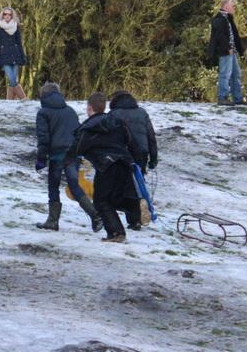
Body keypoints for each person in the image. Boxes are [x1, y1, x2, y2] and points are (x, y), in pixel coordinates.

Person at [71, 92, 141, 242]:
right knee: (119, 196)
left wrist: (65, 160)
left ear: (89, 108)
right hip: (124, 162)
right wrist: (137, 162)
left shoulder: (89, 127)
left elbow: (77, 148)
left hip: (106, 165)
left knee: (100, 200)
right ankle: (135, 210)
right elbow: (131, 142)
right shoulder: (118, 122)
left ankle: (116, 233)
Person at [34, 82, 102, 233]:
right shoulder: (70, 110)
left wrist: (41, 158)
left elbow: (43, 138)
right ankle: (95, 215)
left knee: (53, 186)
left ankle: (52, 221)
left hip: (57, 154)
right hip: (73, 154)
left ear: (44, 95)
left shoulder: (43, 113)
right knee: (74, 186)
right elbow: (79, 132)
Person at [107, 90, 158, 226]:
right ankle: (138, 214)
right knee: (137, 184)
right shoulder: (142, 112)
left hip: (121, 153)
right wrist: (153, 158)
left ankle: (132, 217)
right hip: (141, 153)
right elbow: (151, 136)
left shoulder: (113, 114)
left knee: (121, 186)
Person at [207, 0, 247, 106]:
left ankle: (237, 98)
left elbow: (234, 35)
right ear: (226, 7)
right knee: (225, 74)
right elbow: (220, 36)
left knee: (236, 74)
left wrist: (240, 50)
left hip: (232, 51)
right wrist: (227, 48)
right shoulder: (218, 19)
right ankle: (222, 97)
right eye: (232, 6)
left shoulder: (228, 18)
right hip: (225, 51)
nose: (234, 8)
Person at [0, 7, 27, 100]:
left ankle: (10, 102)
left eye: (9, 14)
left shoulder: (16, 27)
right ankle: (23, 98)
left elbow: (19, 43)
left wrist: (23, 56)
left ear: (12, 16)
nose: (7, 16)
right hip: (4, 56)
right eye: (5, 14)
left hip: (15, 55)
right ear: (2, 15)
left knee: (13, 81)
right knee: (11, 79)